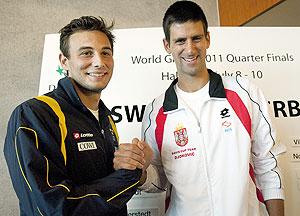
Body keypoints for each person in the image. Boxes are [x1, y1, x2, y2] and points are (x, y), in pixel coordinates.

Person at [116, 1, 286, 215]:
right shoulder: (155, 111)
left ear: (208, 38)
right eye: (180, 41)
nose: (190, 48)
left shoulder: (244, 93)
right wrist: (139, 171)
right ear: (167, 45)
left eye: (196, 38)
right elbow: (159, 181)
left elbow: (268, 166)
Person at [4, 16, 152, 216]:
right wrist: (130, 175)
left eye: (105, 53)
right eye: (86, 53)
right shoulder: (34, 114)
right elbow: (55, 208)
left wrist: (136, 166)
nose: (99, 62)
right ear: (64, 61)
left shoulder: (106, 118)